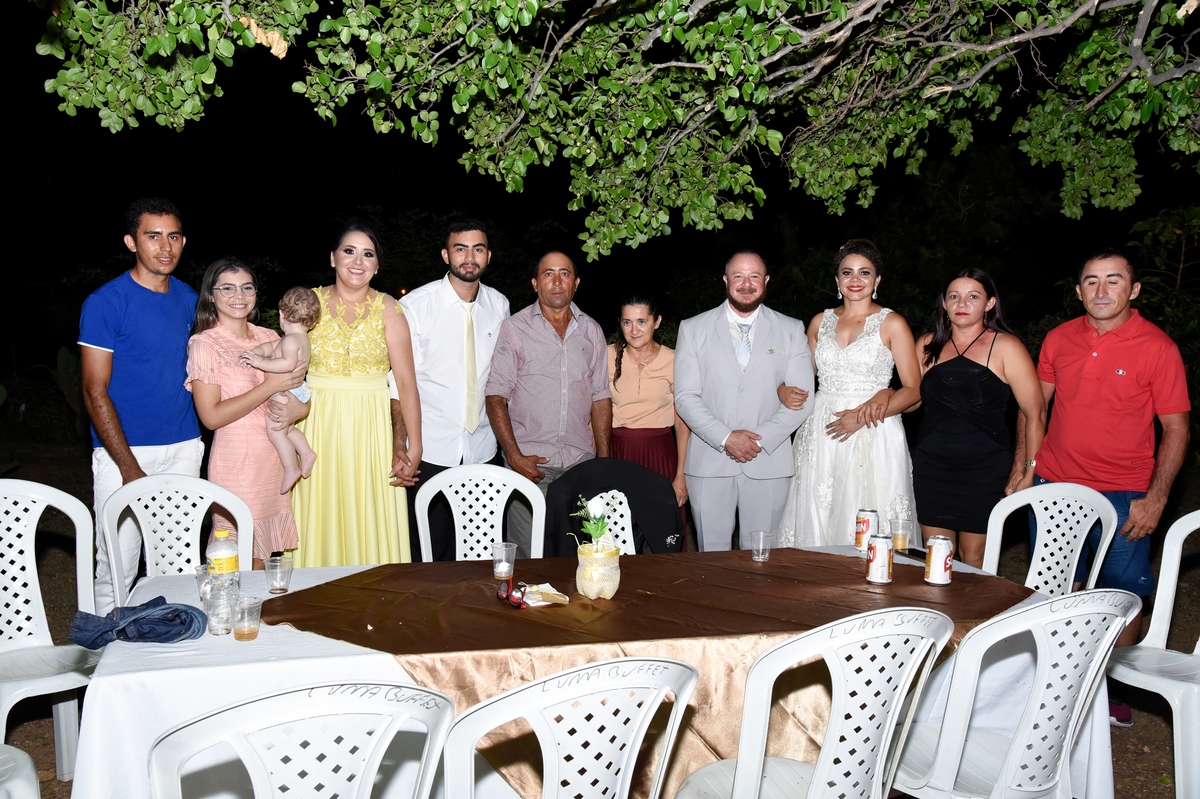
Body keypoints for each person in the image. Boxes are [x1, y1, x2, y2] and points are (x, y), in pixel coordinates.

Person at [1020, 248, 1189, 663]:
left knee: (1121, 596)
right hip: (1055, 484)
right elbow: (1034, 409)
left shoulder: (1158, 348)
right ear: (1079, 291)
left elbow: (1177, 429)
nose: (1101, 290)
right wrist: (1025, 468)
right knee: (1056, 588)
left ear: (1134, 290)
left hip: (1124, 493)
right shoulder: (1059, 338)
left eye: (1114, 280)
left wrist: (1156, 498)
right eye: (1092, 281)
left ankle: (1117, 682)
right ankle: (1056, 672)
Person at [80, 198, 203, 614]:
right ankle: (106, 648)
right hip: (123, 454)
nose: (165, 247)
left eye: (173, 236)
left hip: (184, 449)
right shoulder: (106, 302)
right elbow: (94, 391)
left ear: (183, 241)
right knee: (116, 568)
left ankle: (174, 642)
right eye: (153, 236)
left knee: (178, 567)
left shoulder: (189, 299)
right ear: (132, 242)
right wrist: (129, 468)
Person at [290, 222, 422, 567]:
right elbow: (286, 365)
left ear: (377, 266)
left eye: (368, 254)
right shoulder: (308, 303)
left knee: (369, 510)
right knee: (318, 509)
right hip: (316, 424)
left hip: (371, 429)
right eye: (349, 251)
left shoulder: (390, 308)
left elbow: (406, 382)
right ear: (333, 258)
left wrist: (415, 445)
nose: (357, 261)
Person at [777, 240, 922, 549]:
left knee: (868, 506)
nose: (855, 280)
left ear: (877, 280)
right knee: (818, 509)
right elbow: (801, 381)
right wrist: (782, 389)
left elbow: (913, 390)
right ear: (837, 280)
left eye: (864, 272)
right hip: (822, 431)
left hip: (874, 428)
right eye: (847, 272)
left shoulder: (893, 323)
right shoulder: (819, 322)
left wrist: (863, 414)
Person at [674, 251, 814, 551]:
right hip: (709, 463)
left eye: (754, 276)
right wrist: (726, 438)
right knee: (712, 561)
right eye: (738, 276)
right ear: (726, 281)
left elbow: (803, 398)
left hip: (768, 462)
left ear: (766, 281)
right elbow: (685, 397)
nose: (746, 284)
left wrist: (756, 441)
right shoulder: (693, 328)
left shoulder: (791, 329)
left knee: (761, 559)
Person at [910, 268, 1046, 568]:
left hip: (984, 469)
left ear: (989, 304)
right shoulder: (926, 345)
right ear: (944, 303)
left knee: (973, 558)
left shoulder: (1006, 346)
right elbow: (912, 400)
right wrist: (885, 397)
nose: (962, 303)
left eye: (973, 296)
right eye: (954, 296)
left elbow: (1035, 412)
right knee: (936, 556)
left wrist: (1029, 470)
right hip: (931, 466)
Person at [485, 251, 611, 558]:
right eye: (548, 274)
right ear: (535, 283)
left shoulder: (592, 330)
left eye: (564, 273)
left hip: (580, 464)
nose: (557, 281)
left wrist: (603, 462)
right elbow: (495, 396)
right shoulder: (515, 328)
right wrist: (514, 457)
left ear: (576, 283)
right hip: (530, 466)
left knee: (581, 555)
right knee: (530, 559)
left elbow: (600, 396)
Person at [399, 219, 510, 561]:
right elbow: (399, 381)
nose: (469, 257)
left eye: (478, 249)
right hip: (430, 450)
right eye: (460, 249)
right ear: (446, 255)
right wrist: (401, 443)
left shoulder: (500, 306)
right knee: (429, 554)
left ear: (488, 256)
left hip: (483, 448)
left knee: (482, 553)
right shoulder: (416, 305)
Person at [186, 259, 308, 568]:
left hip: (274, 460)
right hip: (237, 463)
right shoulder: (204, 344)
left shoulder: (270, 338)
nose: (238, 295)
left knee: (262, 559)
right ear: (211, 295)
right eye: (227, 288)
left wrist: (299, 408)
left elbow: (301, 396)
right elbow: (211, 417)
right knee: (234, 556)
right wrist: (270, 387)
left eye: (246, 287)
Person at [607, 296, 691, 512]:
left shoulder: (674, 360)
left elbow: (682, 424)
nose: (634, 330)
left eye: (642, 322)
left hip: (659, 454)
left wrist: (681, 475)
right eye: (627, 322)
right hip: (618, 453)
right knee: (618, 524)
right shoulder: (606, 356)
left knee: (659, 522)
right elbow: (594, 412)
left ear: (657, 321)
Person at [241, 287, 320, 495]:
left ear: (282, 315)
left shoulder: (291, 340)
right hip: (297, 390)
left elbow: (287, 363)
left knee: (275, 431)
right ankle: (306, 452)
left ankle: (291, 467)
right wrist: (257, 351)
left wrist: (259, 362)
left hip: (286, 391)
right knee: (288, 429)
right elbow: (272, 346)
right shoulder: (299, 338)